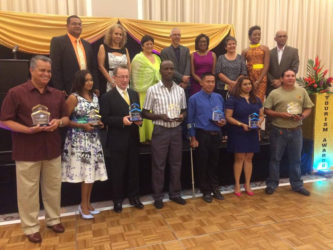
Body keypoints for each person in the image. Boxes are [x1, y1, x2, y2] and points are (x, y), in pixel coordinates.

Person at [0, 55, 69, 243]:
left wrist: (59, 122)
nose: (46, 74)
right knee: (27, 192)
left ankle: (53, 219)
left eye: (49, 71)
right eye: (42, 70)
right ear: (31, 70)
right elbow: (4, 121)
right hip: (27, 150)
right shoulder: (16, 93)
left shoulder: (57, 94)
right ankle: (30, 227)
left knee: (53, 188)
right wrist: (27, 130)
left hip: (52, 149)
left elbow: (66, 118)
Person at [62, 70, 108, 219]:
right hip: (79, 139)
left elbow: (95, 115)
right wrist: (82, 126)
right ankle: (83, 205)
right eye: (86, 80)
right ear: (80, 81)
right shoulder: (73, 98)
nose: (90, 83)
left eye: (91, 80)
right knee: (85, 173)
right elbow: (65, 120)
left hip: (93, 138)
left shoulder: (95, 96)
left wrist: (99, 123)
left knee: (91, 173)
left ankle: (87, 203)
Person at [142, 60, 187, 209]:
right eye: (166, 68)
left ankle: (175, 194)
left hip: (176, 130)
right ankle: (158, 196)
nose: (169, 71)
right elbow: (145, 113)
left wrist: (182, 116)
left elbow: (184, 110)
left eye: (171, 69)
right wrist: (160, 116)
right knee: (158, 165)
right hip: (160, 131)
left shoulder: (180, 90)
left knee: (176, 163)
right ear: (160, 71)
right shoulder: (152, 90)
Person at [101, 65, 144, 213]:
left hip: (133, 138)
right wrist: (121, 121)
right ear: (114, 78)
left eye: (127, 77)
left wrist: (139, 121)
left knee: (134, 170)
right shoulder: (107, 96)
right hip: (117, 140)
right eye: (121, 77)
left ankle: (134, 197)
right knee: (118, 171)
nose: (125, 80)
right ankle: (117, 200)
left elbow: (137, 113)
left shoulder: (133, 93)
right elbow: (105, 119)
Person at [264, 69, 314, 196]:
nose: (290, 78)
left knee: (296, 160)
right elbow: (267, 110)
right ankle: (272, 184)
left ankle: (297, 185)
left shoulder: (301, 91)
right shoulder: (275, 93)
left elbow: (308, 108)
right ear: (282, 78)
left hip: (296, 131)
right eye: (287, 76)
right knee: (275, 159)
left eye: (292, 76)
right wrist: (280, 114)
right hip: (278, 131)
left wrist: (302, 116)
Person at [187, 73, 226, 203]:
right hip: (202, 135)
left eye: (213, 82)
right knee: (202, 164)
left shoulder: (219, 97)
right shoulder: (194, 99)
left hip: (216, 135)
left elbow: (223, 116)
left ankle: (215, 188)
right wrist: (192, 137)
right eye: (208, 81)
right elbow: (190, 119)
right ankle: (206, 190)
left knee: (214, 163)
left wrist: (223, 122)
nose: (211, 84)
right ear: (201, 83)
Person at [225, 77, 264, 196]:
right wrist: (240, 124)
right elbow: (228, 117)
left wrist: (259, 122)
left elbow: (262, 115)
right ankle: (237, 184)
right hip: (238, 131)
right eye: (245, 84)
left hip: (252, 132)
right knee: (239, 158)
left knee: (249, 158)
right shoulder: (233, 99)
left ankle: (247, 184)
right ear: (239, 86)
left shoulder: (256, 99)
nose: (248, 86)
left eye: (249, 84)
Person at [50, 15, 99, 96]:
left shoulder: (87, 45)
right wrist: (59, 89)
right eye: (74, 24)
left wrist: (96, 86)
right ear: (67, 26)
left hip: (87, 88)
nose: (77, 26)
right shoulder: (58, 42)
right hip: (68, 88)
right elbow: (55, 67)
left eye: (79, 24)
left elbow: (93, 67)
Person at [131, 35, 161, 143]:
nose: (149, 46)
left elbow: (160, 73)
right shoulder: (138, 58)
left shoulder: (157, 58)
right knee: (145, 112)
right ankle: (143, 138)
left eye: (151, 44)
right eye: (147, 44)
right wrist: (136, 91)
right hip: (142, 91)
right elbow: (134, 76)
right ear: (142, 46)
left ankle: (153, 136)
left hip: (156, 91)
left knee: (154, 112)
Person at [97, 24, 131, 94]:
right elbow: (100, 66)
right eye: (116, 34)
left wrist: (127, 79)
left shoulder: (125, 49)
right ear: (110, 35)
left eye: (120, 34)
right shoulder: (103, 47)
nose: (118, 36)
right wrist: (112, 82)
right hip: (109, 82)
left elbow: (129, 66)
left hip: (124, 82)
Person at [242, 26, 269, 102]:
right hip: (249, 78)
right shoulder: (245, 51)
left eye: (259, 34)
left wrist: (258, 81)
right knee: (249, 98)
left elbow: (266, 65)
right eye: (255, 34)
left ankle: (259, 114)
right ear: (249, 37)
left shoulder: (265, 49)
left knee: (259, 99)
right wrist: (248, 80)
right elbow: (243, 67)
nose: (257, 36)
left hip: (262, 78)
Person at [267, 30, 299, 94]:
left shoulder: (293, 51)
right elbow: (266, 69)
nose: (282, 38)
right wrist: (273, 81)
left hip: (287, 86)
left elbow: (294, 68)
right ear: (275, 39)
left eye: (284, 36)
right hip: (272, 87)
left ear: (287, 38)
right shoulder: (269, 53)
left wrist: (281, 80)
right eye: (280, 36)